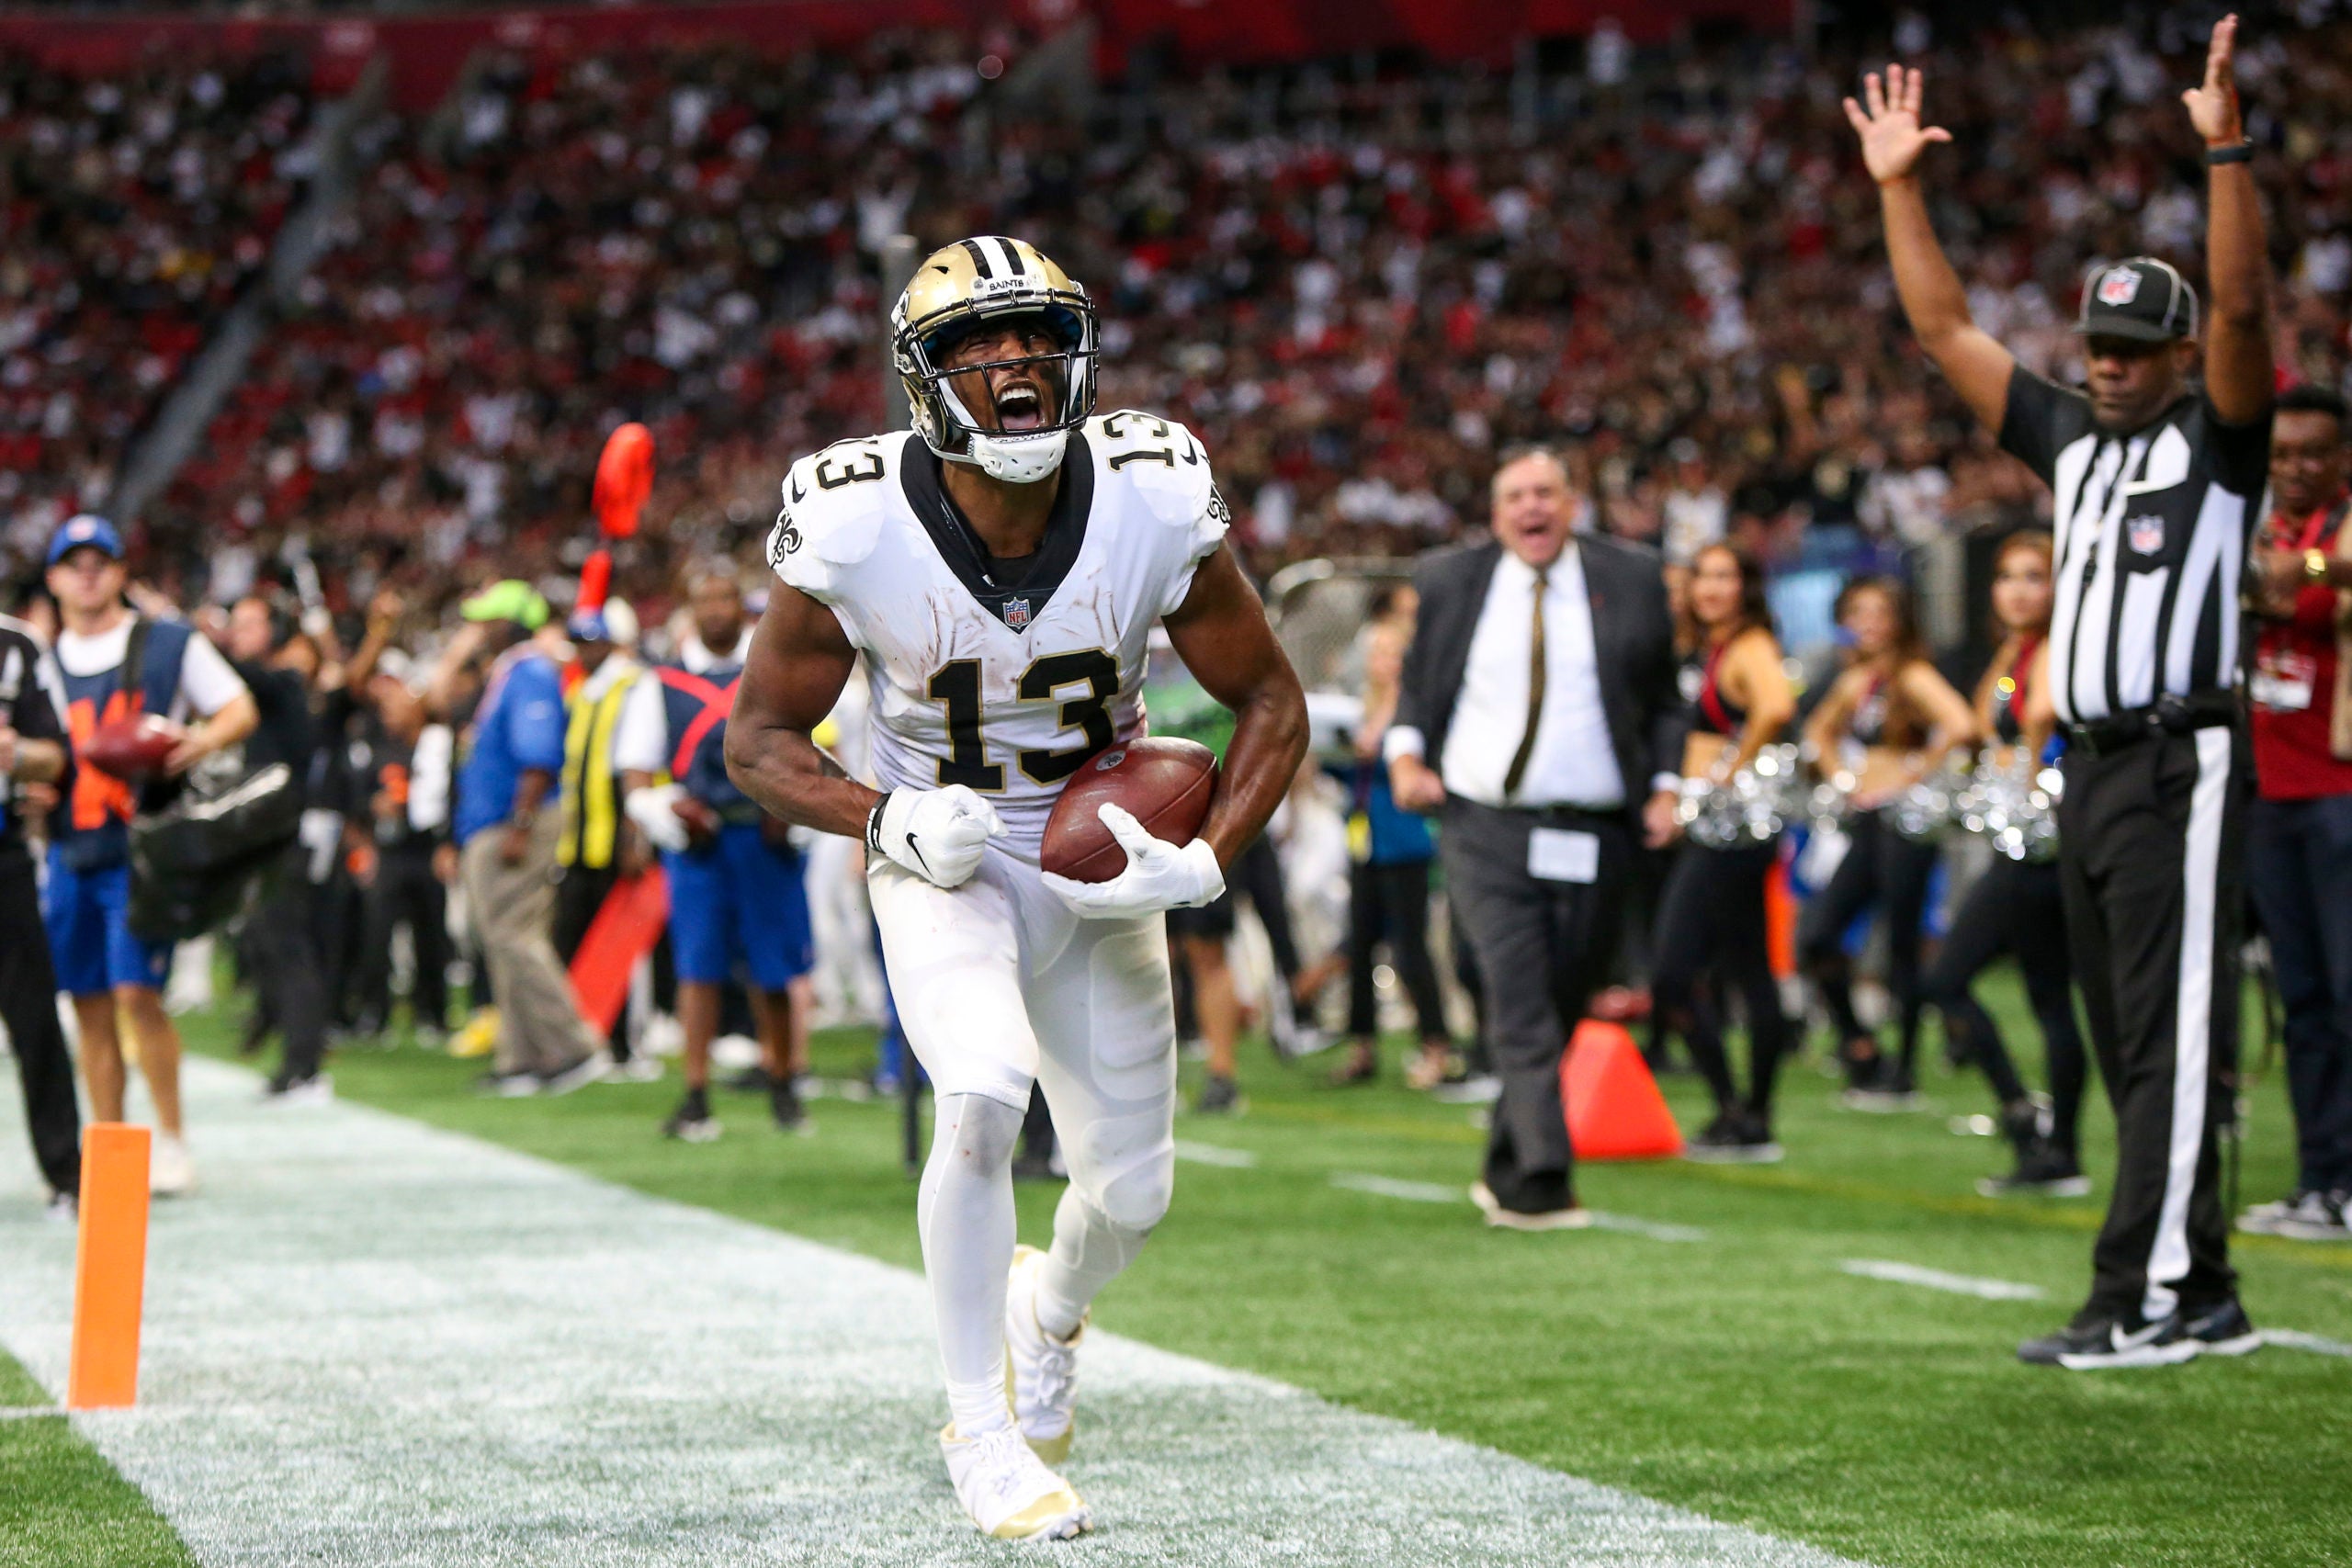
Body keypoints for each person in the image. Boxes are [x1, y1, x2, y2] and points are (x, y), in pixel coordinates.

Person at [724, 236, 1306, 1540]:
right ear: (922, 380)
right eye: (977, 346)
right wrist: (885, 813)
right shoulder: (856, 516)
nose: (1015, 365)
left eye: (1035, 335)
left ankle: (1047, 1308)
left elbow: (1271, 696)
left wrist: (1207, 857)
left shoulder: (1153, 489)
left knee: (1136, 1192)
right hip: (951, 848)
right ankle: (977, 1427)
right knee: (981, 1097)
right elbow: (753, 743)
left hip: (1107, 855)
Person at [1849, 18, 2271, 1367]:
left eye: (2138, 349)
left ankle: (2141, 1296)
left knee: (2167, 1034)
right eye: (2098, 342)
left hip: (2179, 758)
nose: (2108, 363)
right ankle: (2199, 1283)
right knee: (2125, 1028)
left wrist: (2227, 155)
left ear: (2180, 356)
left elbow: (2250, 316)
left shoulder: (2219, 443)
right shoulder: (2073, 439)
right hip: (2087, 766)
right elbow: (1943, 325)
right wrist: (1897, 185)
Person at [1385, 446, 1684, 1229]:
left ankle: (1504, 1161)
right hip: (1484, 820)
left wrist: (1665, 786)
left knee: (1565, 994)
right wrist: (1406, 755)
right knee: (1518, 993)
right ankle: (1543, 1180)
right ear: (1495, 511)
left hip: (1596, 828)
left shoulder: (1631, 577)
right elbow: (1419, 686)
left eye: (1546, 492)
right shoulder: (1452, 580)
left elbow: (1663, 700)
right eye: (1516, 494)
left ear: (1573, 501)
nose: (1532, 507)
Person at [40, 514, 257, 1197]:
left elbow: (236, 707)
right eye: (72, 562)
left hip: (141, 850)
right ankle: (110, 1147)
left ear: (120, 572)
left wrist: (193, 744)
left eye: (98, 559)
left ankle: (171, 1138)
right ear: (52, 579)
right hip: (71, 852)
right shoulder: (40, 662)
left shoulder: (165, 643)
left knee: (138, 993)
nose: (86, 572)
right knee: (89, 1004)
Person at [1921, 532, 2091, 1198]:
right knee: (2049, 999)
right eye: (2005, 576)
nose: (2018, 588)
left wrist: (2014, 768)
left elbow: (2041, 720)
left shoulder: (2051, 648)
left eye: (2034, 576)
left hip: (2039, 848)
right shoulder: (2016, 650)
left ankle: (2032, 1122)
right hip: (2020, 843)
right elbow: (1973, 722)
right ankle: (2056, 1148)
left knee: (1949, 977)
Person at [616, 569, 810, 1138]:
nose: (717, 609)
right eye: (706, 599)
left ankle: (783, 1080)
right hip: (699, 845)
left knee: (773, 967)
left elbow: (808, 746)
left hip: (764, 835)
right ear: (690, 608)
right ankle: (696, 1092)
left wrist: (794, 813)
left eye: (726, 596)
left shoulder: (773, 670)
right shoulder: (663, 683)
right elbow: (634, 775)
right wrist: (664, 811)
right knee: (697, 968)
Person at [2238, 385, 2352, 1241]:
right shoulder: (2261, 529)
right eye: (2281, 455)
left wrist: (2307, 569)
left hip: (2341, 791)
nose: (2295, 468)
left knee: (2347, 994)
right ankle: (2320, 1180)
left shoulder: (2329, 534)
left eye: (2313, 453)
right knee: (2302, 996)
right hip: (2271, 794)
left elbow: (2312, 588)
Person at [1797, 575, 1978, 1106]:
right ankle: (1859, 1044)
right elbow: (1817, 730)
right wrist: (1844, 779)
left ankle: (1904, 1066)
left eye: (1880, 612)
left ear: (1900, 620)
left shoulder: (1912, 675)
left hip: (1906, 822)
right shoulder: (1859, 678)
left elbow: (1961, 724)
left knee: (1901, 943)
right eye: (1858, 612)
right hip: (1869, 819)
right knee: (1820, 936)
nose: (1868, 623)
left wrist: (1912, 774)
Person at [1652, 544, 1798, 1160]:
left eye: (1724, 576)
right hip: (1717, 833)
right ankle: (1748, 1117)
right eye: (1701, 576)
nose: (1709, 587)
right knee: (1745, 971)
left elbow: (1777, 706)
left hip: (1730, 835)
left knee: (1673, 975)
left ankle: (1741, 1109)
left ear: (1746, 586)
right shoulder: (1709, 646)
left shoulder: (1749, 645)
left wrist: (1727, 770)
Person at [438, 581, 607, 1097]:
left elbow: (538, 756)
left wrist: (522, 823)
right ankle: (524, 1058)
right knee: (502, 940)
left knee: (515, 937)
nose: (477, 630)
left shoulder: (529, 672)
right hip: (497, 822)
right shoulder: (512, 672)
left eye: (487, 620)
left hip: (513, 824)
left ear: (512, 623)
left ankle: (575, 1045)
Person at [1329, 583, 1457, 1091]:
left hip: (1405, 841)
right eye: (1376, 652)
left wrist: (1369, 755)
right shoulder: (1362, 707)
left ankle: (1437, 1046)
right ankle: (1362, 1046)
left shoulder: (1412, 712)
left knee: (1410, 948)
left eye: (1390, 652)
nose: (1381, 661)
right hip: (1366, 839)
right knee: (1360, 946)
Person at [222, 594, 331, 1101]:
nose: (237, 632)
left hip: (283, 837)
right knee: (268, 944)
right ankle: (286, 1044)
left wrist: (196, 638)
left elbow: (247, 675)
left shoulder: (283, 681)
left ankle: (305, 1066)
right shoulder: (255, 693)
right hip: (259, 838)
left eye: (248, 623)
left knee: (289, 949)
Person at [553, 597, 656, 1077]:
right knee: (575, 940)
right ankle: (587, 1037)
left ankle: (626, 1045)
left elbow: (638, 762)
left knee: (623, 945)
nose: (584, 651)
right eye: (578, 643)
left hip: (617, 831)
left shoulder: (633, 685)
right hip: (579, 837)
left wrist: (635, 832)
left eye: (591, 643)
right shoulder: (583, 692)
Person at [0, 608, 80, 1216]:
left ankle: (67, 1175)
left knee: (34, 1018)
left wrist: (15, 751)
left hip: (2, 855)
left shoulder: (17, 644)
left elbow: (56, 755)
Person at [350, 658, 454, 1047]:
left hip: (426, 850)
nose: (389, 715)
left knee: (432, 936)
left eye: (396, 707)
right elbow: (356, 799)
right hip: (389, 852)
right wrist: (370, 813)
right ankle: (375, 1013)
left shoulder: (437, 745)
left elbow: (452, 794)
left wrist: (448, 845)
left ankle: (434, 1013)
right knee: (377, 936)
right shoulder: (378, 748)